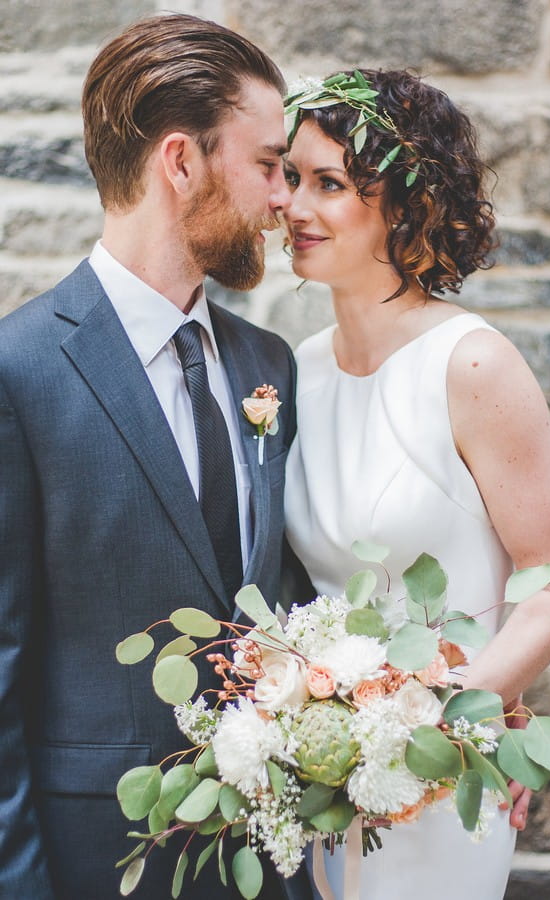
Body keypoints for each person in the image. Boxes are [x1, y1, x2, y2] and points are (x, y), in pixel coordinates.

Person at [0, 13, 314, 900]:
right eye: (267, 165)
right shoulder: (17, 370)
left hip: (265, 856)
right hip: (99, 857)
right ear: (181, 162)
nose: (284, 198)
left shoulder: (267, 364)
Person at [282, 69, 550, 899]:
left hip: (437, 772)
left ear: (402, 205)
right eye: (289, 177)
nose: (292, 206)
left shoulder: (473, 363)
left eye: (330, 184)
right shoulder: (296, 373)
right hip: (316, 777)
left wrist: (443, 724)